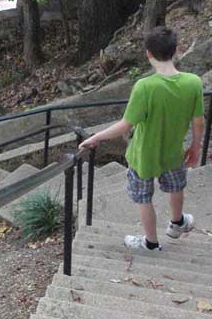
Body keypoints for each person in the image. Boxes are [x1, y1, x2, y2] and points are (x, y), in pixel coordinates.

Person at [80, 26, 205, 251]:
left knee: (143, 198)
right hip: (174, 152)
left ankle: (151, 243)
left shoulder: (145, 87)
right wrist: (196, 147)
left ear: (148, 53)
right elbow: (198, 121)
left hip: (142, 156)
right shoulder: (193, 82)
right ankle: (177, 222)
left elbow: (125, 125)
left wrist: (96, 137)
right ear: (176, 50)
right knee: (176, 187)